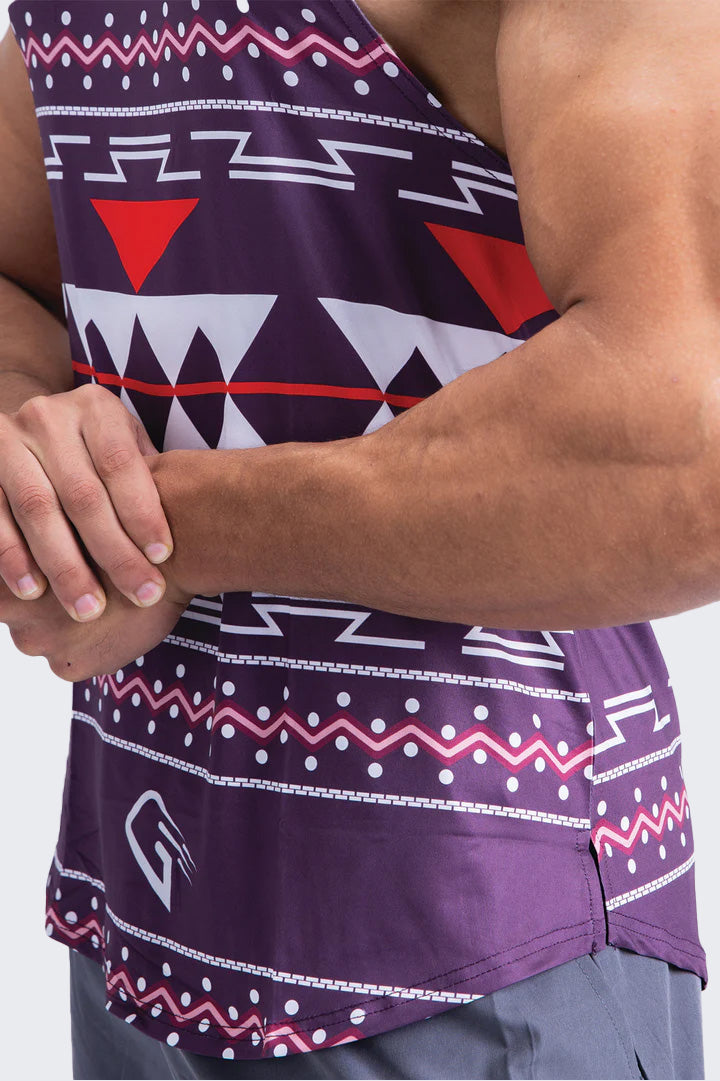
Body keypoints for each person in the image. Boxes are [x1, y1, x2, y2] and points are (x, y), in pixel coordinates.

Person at [0, 1, 713, 1077]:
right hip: (141, 914)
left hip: (478, 929)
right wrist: (39, 481)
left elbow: (680, 452)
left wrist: (154, 532)